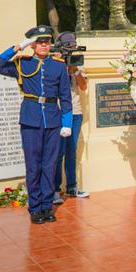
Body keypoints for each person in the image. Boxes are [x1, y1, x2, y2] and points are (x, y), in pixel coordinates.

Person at [0, 26, 73, 224]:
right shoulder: (22, 63)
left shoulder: (58, 65)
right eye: (39, 42)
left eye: (47, 42)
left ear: (50, 44)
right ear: (33, 44)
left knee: (50, 165)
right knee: (33, 166)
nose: (44, 45)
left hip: (52, 119)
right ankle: (35, 208)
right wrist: (19, 46)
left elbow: (65, 97)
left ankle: (47, 206)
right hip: (30, 118)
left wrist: (66, 122)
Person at [53, 32, 89, 202]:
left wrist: (74, 70)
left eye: (73, 46)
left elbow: (83, 87)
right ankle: (54, 189)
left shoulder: (77, 63)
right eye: (68, 46)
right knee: (57, 152)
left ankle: (72, 187)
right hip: (58, 112)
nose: (71, 49)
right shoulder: (53, 62)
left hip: (75, 112)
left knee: (71, 151)